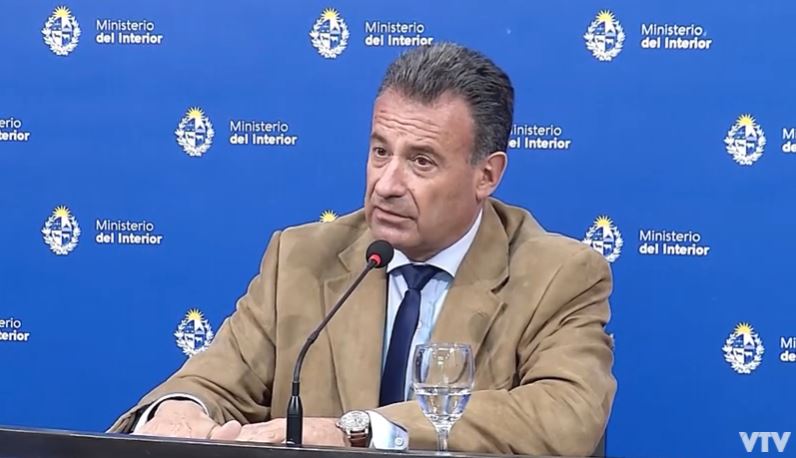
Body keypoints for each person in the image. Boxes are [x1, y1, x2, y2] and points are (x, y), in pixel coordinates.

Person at [108, 42, 616, 457]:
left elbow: (566, 415)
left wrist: (363, 431)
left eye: (421, 161)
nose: (386, 184)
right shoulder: (301, 258)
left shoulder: (558, 275)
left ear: (487, 174)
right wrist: (178, 410)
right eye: (379, 151)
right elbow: (215, 378)